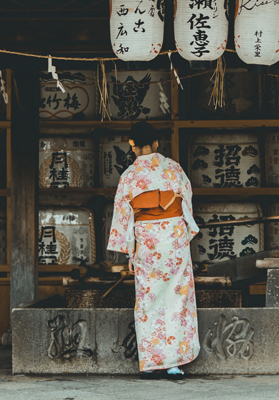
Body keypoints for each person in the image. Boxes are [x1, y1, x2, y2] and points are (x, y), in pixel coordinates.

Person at [107, 121, 200, 379]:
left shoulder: (129, 177)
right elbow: (186, 203)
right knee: (177, 299)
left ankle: (151, 363)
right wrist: (181, 232)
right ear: (157, 142)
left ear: (132, 145)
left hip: (147, 241)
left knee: (148, 301)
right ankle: (174, 364)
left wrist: (130, 251)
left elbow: (124, 216)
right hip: (173, 240)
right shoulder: (174, 169)